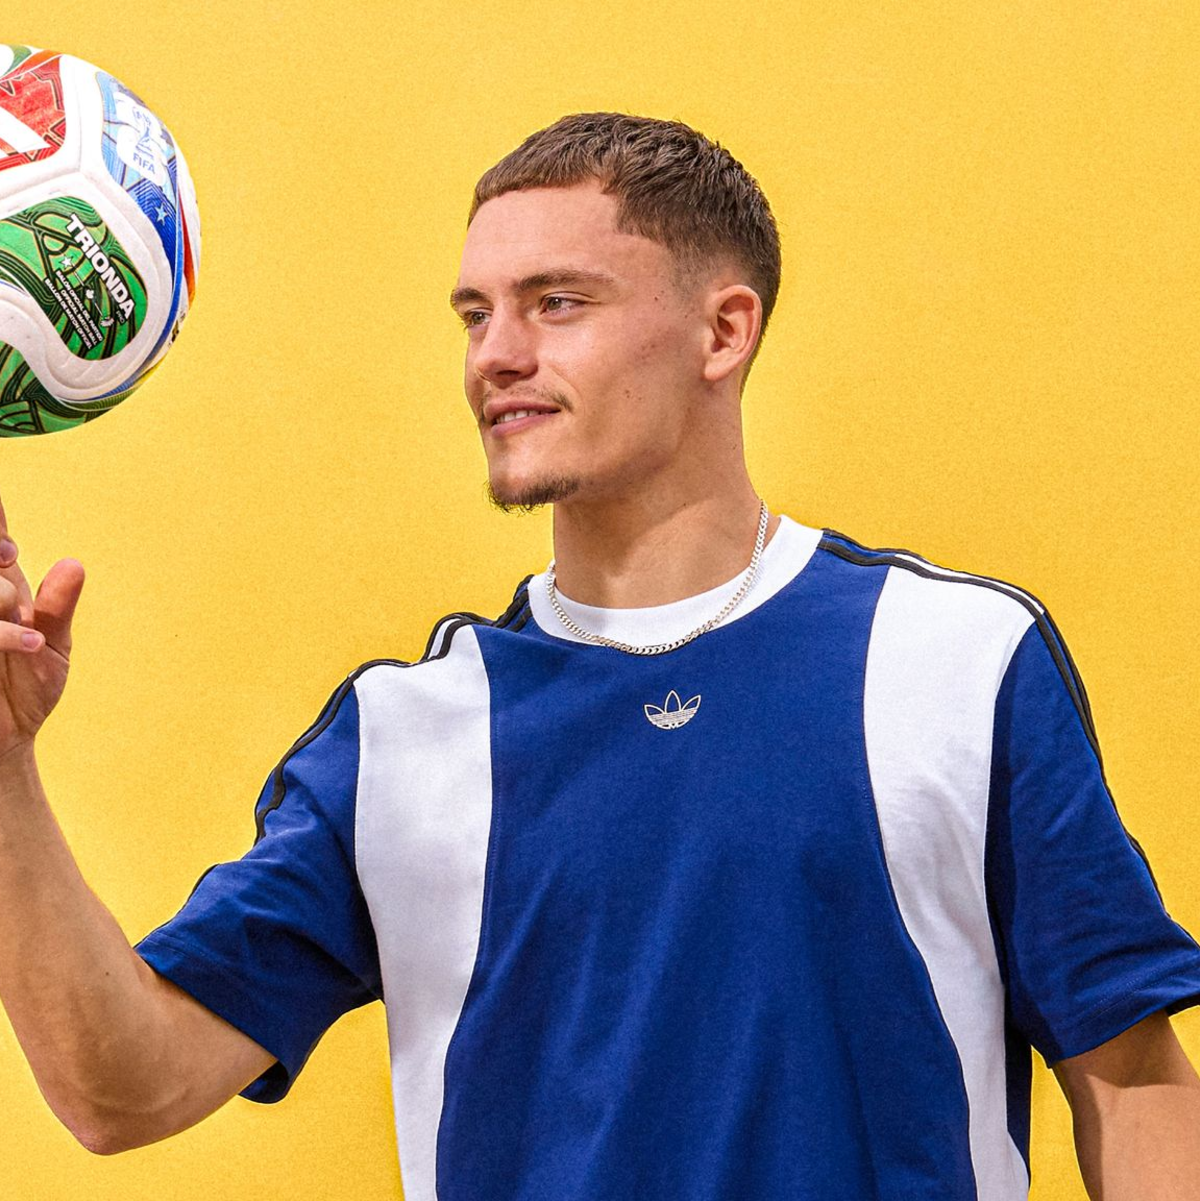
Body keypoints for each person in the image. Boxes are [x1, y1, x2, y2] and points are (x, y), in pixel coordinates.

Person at [0, 112, 1198, 1201]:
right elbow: (122, 1090)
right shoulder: (406, 736)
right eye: (476, 315)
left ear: (724, 330)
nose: (495, 355)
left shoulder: (958, 661)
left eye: (556, 303)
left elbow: (1135, 1079)